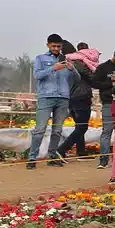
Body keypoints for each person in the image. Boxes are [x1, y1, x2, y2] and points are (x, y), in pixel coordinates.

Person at [27, 34, 75, 169]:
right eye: (53, 46)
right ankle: (32, 158)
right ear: (48, 45)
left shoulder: (65, 60)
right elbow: (37, 75)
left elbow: (76, 79)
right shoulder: (40, 59)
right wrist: (53, 68)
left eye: (58, 46)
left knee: (57, 130)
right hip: (46, 97)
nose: (56, 48)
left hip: (63, 98)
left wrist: (72, 68)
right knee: (40, 129)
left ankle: (52, 156)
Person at [56, 43, 101, 159]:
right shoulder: (78, 63)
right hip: (81, 96)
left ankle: (81, 152)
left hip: (70, 97)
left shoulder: (62, 64)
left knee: (79, 126)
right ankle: (62, 149)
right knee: (82, 127)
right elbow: (92, 77)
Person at [91, 46, 115, 168]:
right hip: (108, 102)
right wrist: (109, 84)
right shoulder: (103, 68)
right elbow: (94, 82)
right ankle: (103, 160)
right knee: (107, 131)